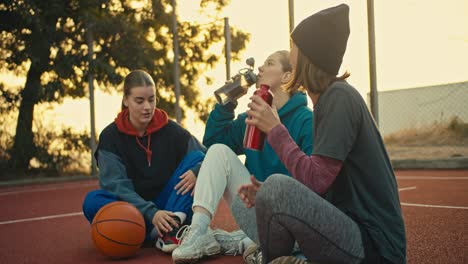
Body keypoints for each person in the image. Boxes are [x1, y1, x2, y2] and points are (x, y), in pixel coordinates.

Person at [239, 4, 406, 264]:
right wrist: (269, 195)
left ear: (307, 55)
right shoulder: (329, 100)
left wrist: (275, 129)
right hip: (354, 232)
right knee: (273, 191)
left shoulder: (339, 98)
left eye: (293, 47)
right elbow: (323, 187)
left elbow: (316, 180)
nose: (290, 53)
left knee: (277, 186)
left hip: (375, 248)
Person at [171, 50, 314, 264]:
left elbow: (313, 181)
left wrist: (272, 194)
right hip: (254, 206)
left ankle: (245, 241)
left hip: (288, 219)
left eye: (269, 63)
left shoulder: (306, 120)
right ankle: (199, 231)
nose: (260, 68)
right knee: (219, 152)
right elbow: (213, 144)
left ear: (286, 76)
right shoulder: (251, 117)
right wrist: (227, 103)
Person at [82, 70, 206, 254]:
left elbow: (209, 156)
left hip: (168, 204)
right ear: (126, 100)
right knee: (92, 201)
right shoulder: (110, 137)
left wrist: (197, 170)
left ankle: (170, 228)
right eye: (139, 101)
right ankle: (156, 231)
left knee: (197, 160)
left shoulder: (172, 131)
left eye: (152, 99)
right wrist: (151, 213)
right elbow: (117, 186)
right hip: (133, 209)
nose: (147, 107)